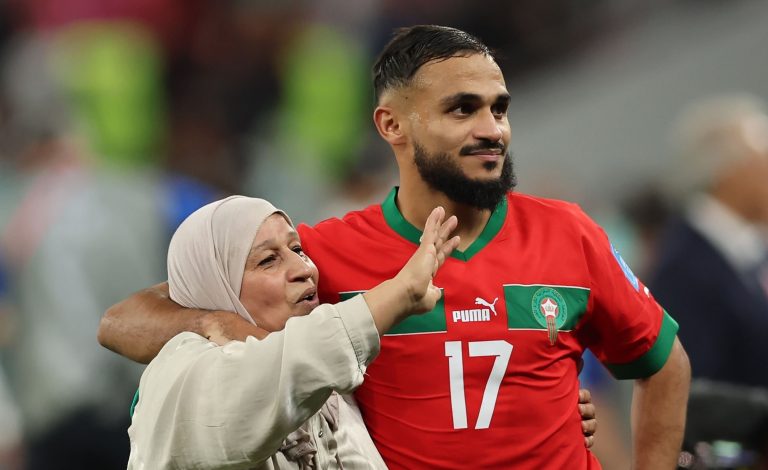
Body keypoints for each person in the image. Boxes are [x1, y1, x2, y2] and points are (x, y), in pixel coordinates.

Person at [99, 25, 688, 468]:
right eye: (462, 109)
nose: (492, 129)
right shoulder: (322, 255)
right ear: (392, 125)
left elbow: (663, 364)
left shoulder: (569, 233)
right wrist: (223, 327)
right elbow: (123, 321)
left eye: (499, 108)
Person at [129, 195, 461, 468]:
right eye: (268, 260)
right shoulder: (180, 376)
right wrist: (399, 294)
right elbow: (271, 378)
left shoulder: (332, 398)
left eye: (298, 250)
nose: (304, 269)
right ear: (214, 283)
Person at [649, 94, 768, 394]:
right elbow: (701, 392)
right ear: (727, 172)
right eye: (766, 157)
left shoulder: (754, 247)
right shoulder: (683, 270)